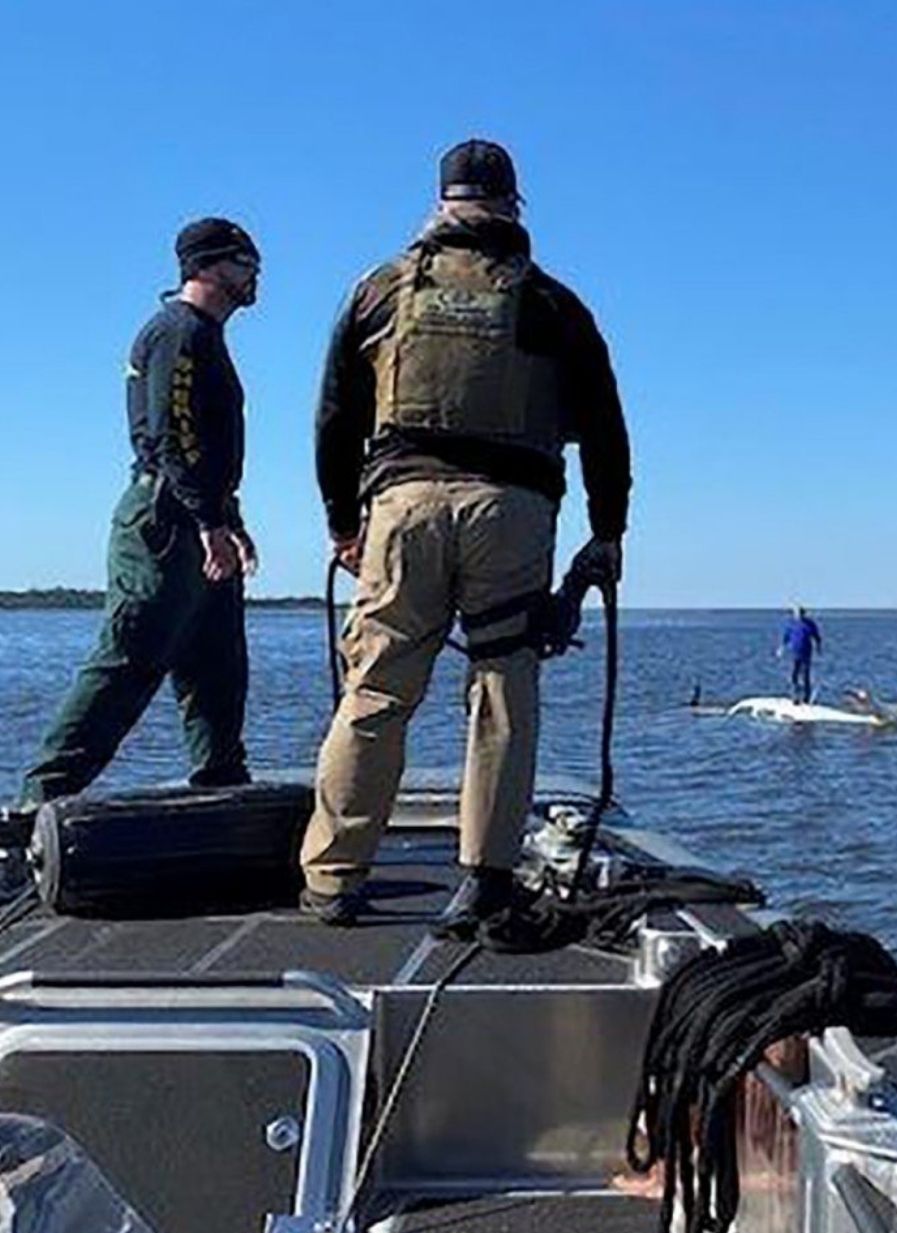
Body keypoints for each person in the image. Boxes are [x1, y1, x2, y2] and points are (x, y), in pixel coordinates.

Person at [298, 140, 631, 931]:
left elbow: (334, 419)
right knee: (502, 693)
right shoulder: (554, 304)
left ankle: (334, 879)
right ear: (513, 207)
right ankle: (484, 882)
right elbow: (608, 430)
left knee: (375, 691)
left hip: (402, 508)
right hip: (509, 513)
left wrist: (344, 521)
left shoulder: (379, 291)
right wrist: (607, 531)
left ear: (443, 204)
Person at [19, 220, 262, 805]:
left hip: (201, 521)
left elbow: (199, 447)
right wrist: (209, 523)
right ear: (207, 267)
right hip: (164, 527)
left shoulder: (205, 336)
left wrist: (230, 523)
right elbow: (171, 438)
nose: (256, 272)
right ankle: (35, 808)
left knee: (217, 673)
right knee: (127, 664)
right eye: (243, 260)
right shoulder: (177, 333)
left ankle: (222, 794)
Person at [779, 606, 822, 703]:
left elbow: (816, 637)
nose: (798, 615)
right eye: (796, 613)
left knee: (805, 675)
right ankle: (795, 696)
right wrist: (781, 649)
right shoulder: (791, 625)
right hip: (795, 653)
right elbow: (786, 637)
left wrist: (818, 648)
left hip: (806, 653)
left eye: (800, 613)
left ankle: (806, 698)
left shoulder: (810, 624)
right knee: (794, 675)